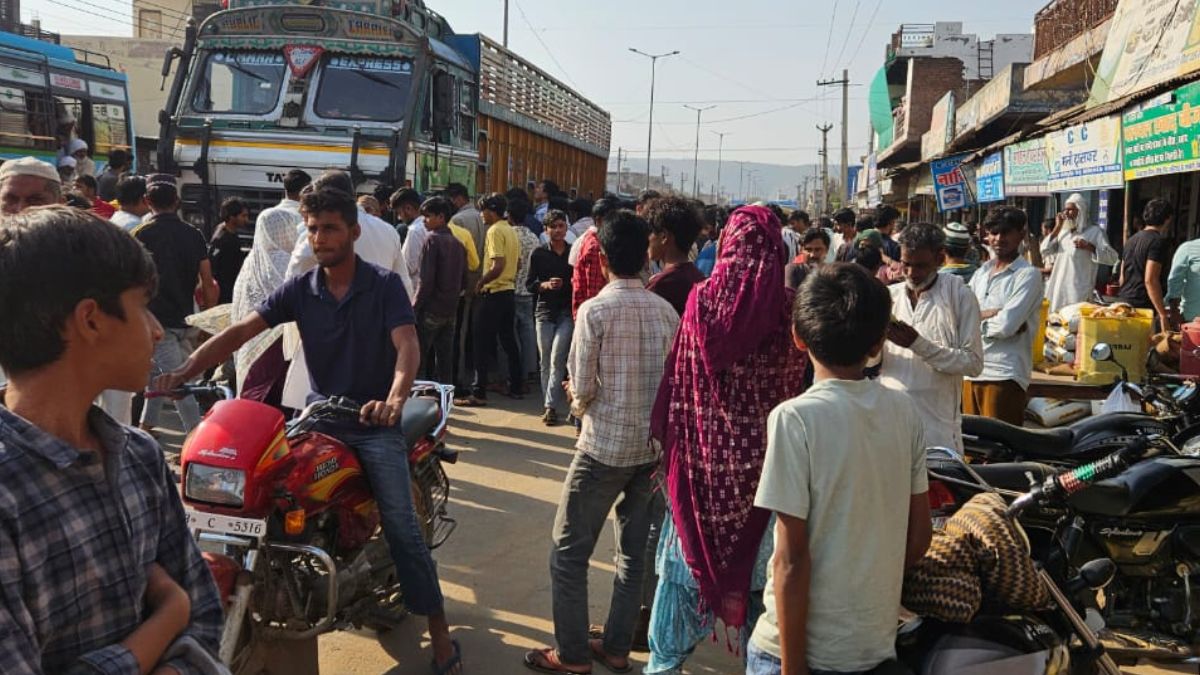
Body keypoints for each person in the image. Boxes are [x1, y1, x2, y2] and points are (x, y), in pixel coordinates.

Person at [155, 187, 463, 675]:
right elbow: (241, 332)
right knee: (267, 496)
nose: (320, 238)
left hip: (371, 423)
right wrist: (185, 371)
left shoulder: (382, 285)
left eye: (330, 228)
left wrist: (395, 399)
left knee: (404, 532)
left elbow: (407, 346)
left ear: (353, 232)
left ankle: (442, 638)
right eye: (313, 229)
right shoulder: (302, 287)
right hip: (316, 417)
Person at [0, 206, 227, 675]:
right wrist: (169, 615)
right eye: (142, 306)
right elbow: (187, 606)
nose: (157, 329)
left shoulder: (138, 455)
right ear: (91, 321)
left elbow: (205, 616)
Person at [747, 263, 932, 675]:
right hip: (871, 647)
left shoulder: (795, 418)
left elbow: (789, 561)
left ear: (797, 337)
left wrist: (793, 669)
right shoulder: (904, 410)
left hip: (791, 651)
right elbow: (919, 537)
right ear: (877, 344)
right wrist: (864, 577)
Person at [647, 206, 807, 675]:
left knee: (677, 595)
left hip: (698, 482)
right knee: (765, 597)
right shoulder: (790, 312)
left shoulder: (700, 304)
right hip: (767, 481)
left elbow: (677, 385)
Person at [524, 210, 679, 675]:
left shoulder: (595, 310)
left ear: (605, 258)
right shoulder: (666, 311)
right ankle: (614, 646)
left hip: (604, 449)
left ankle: (571, 654)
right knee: (633, 554)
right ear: (646, 256)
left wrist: (575, 399)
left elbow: (583, 386)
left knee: (568, 552)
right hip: (650, 452)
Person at [283, 172, 413, 409]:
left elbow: (293, 277)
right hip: (378, 342)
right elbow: (406, 289)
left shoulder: (313, 234)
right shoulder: (388, 231)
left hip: (326, 343)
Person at [880, 224, 983, 452]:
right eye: (906, 264)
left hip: (936, 431)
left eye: (920, 266)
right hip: (889, 426)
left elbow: (973, 364)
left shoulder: (960, 297)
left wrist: (918, 344)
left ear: (940, 258)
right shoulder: (889, 297)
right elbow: (870, 362)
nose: (911, 273)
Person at [134, 174, 216, 434]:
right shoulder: (194, 234)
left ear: (147, 201)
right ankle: (145, 427)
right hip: (187, 319)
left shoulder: (140, 235)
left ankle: (196, 436)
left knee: (175, 383)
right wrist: (207, 319)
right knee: (162, 377)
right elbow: (207, 281)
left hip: (156, 322)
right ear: (178, 202)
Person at [231, 169, 311, 404]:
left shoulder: (256, 263)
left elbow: (241, 306)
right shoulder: (297, 261)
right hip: (285, 340)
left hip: (258, 334)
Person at [966, 207, 1046, 426]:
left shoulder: (1027, 275)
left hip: (1004, 373)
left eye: (1006, 232)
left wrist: (974, 321)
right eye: (993, 233)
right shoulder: (981, 272)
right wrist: (984, 316)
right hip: (971, 371)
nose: (998, 239)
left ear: (1021, 234)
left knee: (998, 451)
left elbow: (1006, 326)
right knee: (970, 448)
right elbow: (960, 314)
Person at [457, 193, 523, 406]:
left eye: (482, 210)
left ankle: (478, 392)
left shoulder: (494, 231)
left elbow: (498, 265)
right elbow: (518, 263)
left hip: (492, 294)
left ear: (491, 211)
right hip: (509, 291)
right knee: (509, 341)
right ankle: (516, 386)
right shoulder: (510, 230)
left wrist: (481, 282)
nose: (480, 215)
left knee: (480, 343)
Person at [528, 209, 574, 426]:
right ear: (546, 230)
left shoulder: (573, 253)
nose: (557, 230)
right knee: (545, 361)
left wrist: (569, 285)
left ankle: (550, 406)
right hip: (544, 313)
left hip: (566, 312)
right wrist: (544, 285)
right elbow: (530, 284)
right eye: (553, 227)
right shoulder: (538, 254)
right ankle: (550, 404)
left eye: (561, 226)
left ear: (566, 228)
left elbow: (579, 282)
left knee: (558, 358)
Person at [414, 196, 467, 385]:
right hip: (450, 310)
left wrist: (414, 307)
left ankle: (417, 399)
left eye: (427, 216)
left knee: (418, 359)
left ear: (441, 217)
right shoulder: (459, 245)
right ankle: (446, 398)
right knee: (445, 360)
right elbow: (464, 281)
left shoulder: (432, 241)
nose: (424, 221)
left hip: (431, 310)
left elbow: (425, 281)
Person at [1041, 193, 1119, 312]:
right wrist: (1057, 227)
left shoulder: (1095, 232)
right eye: (1065, 210)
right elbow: (1045, 250)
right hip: (1059, 290)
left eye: (1070, 210)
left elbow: (1112, 258)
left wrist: (1090, 247)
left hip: (1079, 292)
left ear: (1081, 210)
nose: (1066, 213)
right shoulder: (1063, 233)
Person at [446, 183, 487, 391]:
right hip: (479, 279)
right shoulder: (480, 216)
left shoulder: (457, 220)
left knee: (458, 333)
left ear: (457, 199)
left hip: (462, 282)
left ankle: (458, 377)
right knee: (470, 330)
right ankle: (469, 371)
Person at [1118, 199, 1174, 331]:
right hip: (1143, 308)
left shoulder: (1131, 240)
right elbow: (1150, 280)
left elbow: (1122, 278)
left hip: (1124, 302)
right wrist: (1162, 314)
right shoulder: (1158, 242)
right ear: (1167, 219)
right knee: (1144, 349)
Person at [645, 196, 706, 316]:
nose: (648, 239)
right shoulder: (700, 279)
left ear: (664, 237)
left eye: (651, 232)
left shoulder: (660, 286)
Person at [510, 198, 542, 384]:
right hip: (528, 291)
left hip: (511, 289)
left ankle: (515, 371)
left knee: (511, 334)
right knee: (528, 331)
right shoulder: (533, 237)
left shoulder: (508, 234)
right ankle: (529, 369)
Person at [571, 197, 619, 318]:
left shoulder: (588, 238)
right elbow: (593, 289)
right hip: (595, 313)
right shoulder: (596, 246)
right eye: (612, 219)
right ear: (598, 220)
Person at [209, 197, 250, 305]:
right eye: (243, 216)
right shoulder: (225, 239)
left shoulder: (224, 230)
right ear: (232, 217)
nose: (247, 220)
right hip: (225, 294)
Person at [398, 188, 429, 287]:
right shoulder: (427, 225)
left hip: (415, 288)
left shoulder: (414, 231)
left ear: (408, 209)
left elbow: (409, 267)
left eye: (399, 213)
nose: (399, 218)